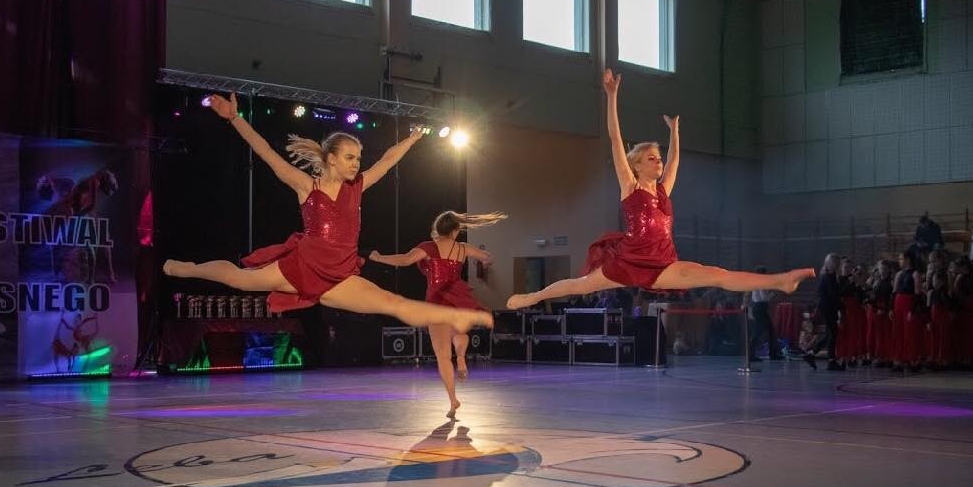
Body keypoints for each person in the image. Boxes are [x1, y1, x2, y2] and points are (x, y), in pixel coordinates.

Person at [163, 93, 492, 335]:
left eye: (358, 158)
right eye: (350, 157)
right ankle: (189, 268)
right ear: (331, 159)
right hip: (302, 268)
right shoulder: (307, 187)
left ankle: (454, 317)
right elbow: (266, 153)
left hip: (340, 277)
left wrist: (413, 138)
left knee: (392, 302)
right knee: (239, 278)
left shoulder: (357, 187)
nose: (356, 163)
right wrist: (235, 118)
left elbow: (387, 160)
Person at [505, 70, 813, 310]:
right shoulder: (630, 186)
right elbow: (615, 139)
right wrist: (611, 96)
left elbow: (675, 160)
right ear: (637, 165)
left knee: (717, 275)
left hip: (661, 264)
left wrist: (674, 132)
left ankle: (780, 281)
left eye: (658, 157)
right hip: (627, 261)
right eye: (652, 158)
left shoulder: (663, 191)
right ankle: (533, 296)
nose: (659, 161)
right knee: (580, 284)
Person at [369, 210, 505, 416]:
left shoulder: (428, 247)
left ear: (437, 229)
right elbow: (487, 257)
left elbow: (405, 260)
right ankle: (461, 356)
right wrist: (484, 261)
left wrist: (379, 258)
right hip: (458, 298)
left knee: (442, 356)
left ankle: (453, 400)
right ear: (455, 230)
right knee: (459, 333)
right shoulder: (462, 248)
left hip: (437, 301)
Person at [803, 253, 844, 371]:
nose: (836, 265)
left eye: (837, 262)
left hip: (829, 308)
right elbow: (832, 295)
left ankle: (813, 355)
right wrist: (840, 307)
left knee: (830, 334)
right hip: (828, 309)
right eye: (833, 262)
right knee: (831, 334)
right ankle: (829, 360)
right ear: (828, 263)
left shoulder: (831, 276)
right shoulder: (827, 276)